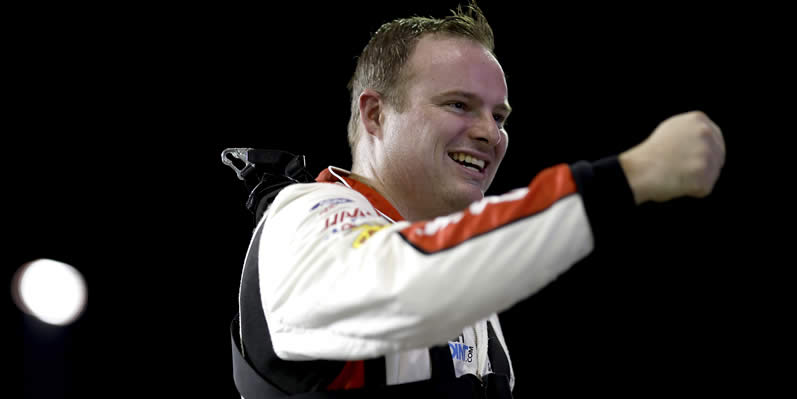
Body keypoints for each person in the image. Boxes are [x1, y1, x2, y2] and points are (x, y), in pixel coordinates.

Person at [230, 2, 726, 398]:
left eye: (501, 116)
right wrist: (631, 176)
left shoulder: (472, 303)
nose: (491, 133)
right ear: (375, 114)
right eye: (459, 105)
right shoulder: (300, 219)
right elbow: (412, 279)